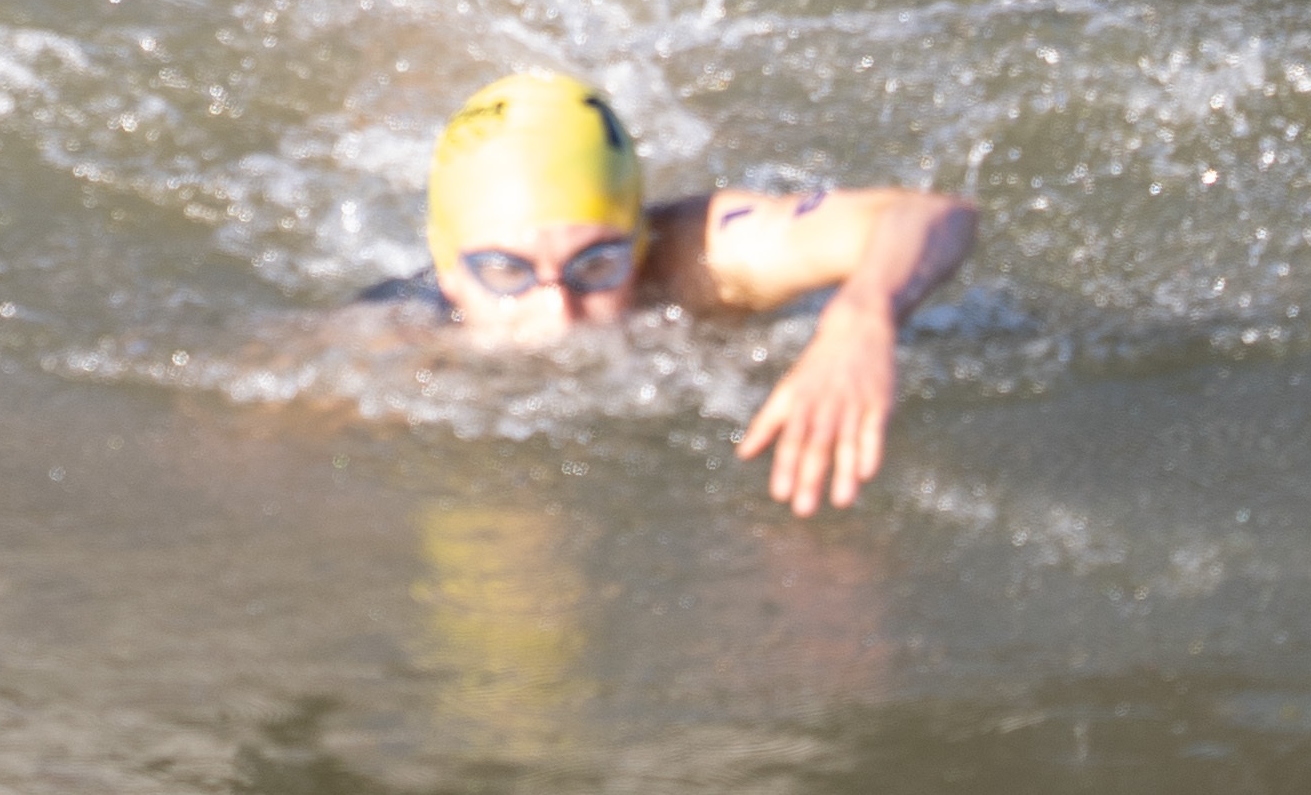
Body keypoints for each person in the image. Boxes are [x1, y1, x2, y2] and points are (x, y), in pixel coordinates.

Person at [371, 69, 980, 515]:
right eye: (507, 273)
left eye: (597, 264)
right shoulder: (396, 340)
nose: (558, 314)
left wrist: (862, 316)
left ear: (638, 242)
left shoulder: (699, 258)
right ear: (447, 267)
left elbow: (928, 213)